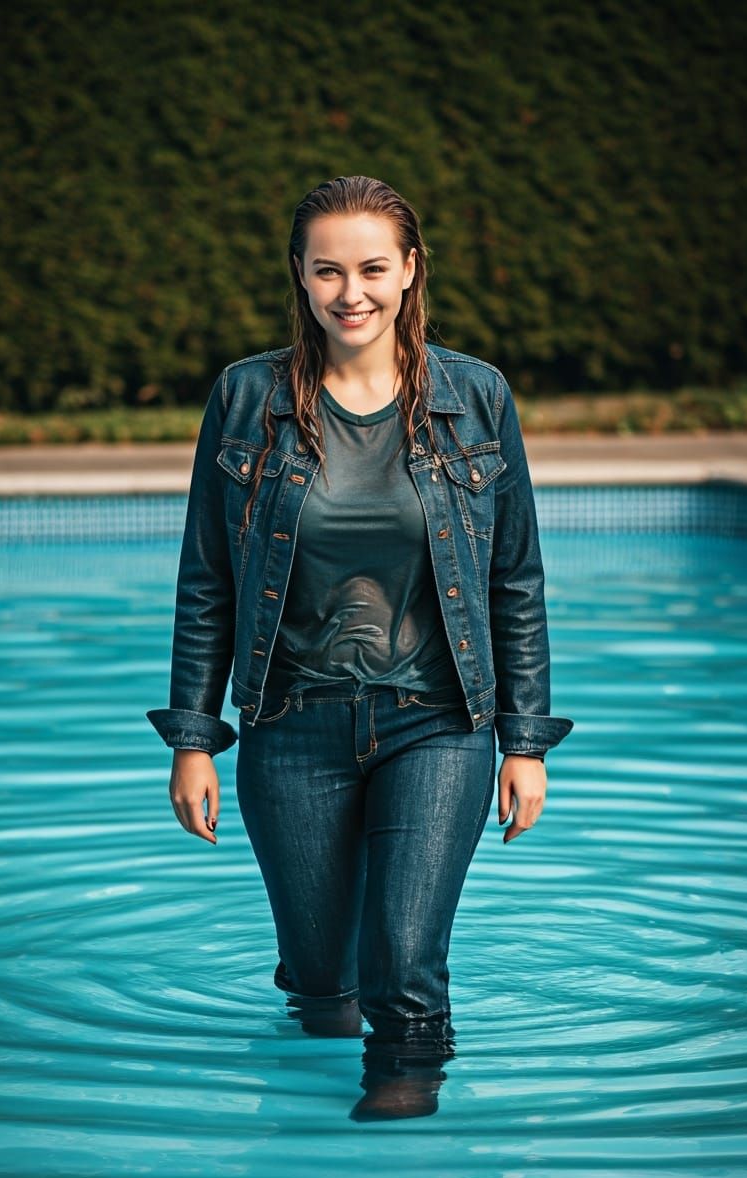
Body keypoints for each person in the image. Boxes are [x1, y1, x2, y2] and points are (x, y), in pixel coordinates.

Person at [146, 175, 574, 1121]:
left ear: (412, 271)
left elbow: (515, 581)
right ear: (298, 276)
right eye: (329, 270)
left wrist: (524, 743)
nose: (353, 293)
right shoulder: (247, 399)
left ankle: (404, 1123)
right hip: (291, 730)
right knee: (318, 979)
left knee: (403, 960)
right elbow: (208, 578)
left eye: (374, 268)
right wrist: (191, 737)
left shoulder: (476, 397)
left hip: (438, 723)